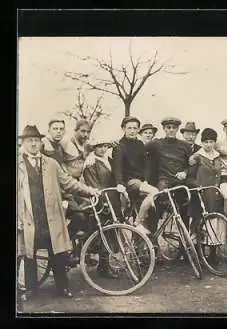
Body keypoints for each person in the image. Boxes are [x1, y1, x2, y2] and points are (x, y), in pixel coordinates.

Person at [18, 125, 99, 301]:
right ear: (22, 143)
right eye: (29, 140)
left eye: (36, 140)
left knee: (58, 253)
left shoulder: (51, 163)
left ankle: (62, 288)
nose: (33, 143)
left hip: (51, 216)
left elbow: (69, 182)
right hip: (29, 217)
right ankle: (31, 289)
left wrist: (90, 191)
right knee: (29, 253)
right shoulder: (17, 165)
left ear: (41, 142)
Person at [82, 136, 124, 278]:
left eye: (105, 146)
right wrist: (103, 202)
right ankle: (102, 266)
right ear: (94, 147)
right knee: (103, 232)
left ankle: (105, 265)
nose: (103, 149)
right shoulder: (90, 163)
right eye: (99, 146)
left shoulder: (108, 160)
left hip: (112, 199)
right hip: (100, 201)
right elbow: (94, 186)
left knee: (112, 232)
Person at [142, 117, 192, 234]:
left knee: (185, 209)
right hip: (164, 180)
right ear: (164, 129)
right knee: (156, 205)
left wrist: (185, 172)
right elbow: (139, 148)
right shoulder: (156, 144)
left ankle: (184, 244)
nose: (171, 130)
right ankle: (153, 239)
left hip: (180, 182)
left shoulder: (185, 146)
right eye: (168, 128)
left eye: (174, 128)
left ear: (177, 129)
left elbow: (192, 164)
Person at [112, 116, 158, 236]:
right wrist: (119, 184)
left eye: (135, 128)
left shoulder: (140, 144)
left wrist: (147, 180)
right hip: (130, 182)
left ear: (138, 130)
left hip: (141, 182)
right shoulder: (119, 146)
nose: (132, 131)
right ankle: (137, 223)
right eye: (129, 128)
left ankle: (141, 249)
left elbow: (146, 165)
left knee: (148, 210)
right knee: (155, 192)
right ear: (123, 129)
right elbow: (117, 167)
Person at [187, 128, 226, 257]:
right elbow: (190, 177)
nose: (209, 145)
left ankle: (213, 253)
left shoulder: (217, 156)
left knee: (214, 221)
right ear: (202, 142)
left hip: (214, 193)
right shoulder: (197, 157)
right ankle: (200, 252)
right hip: (201, 193)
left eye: (211, 141)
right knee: (201, 221)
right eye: (206, 142)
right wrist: (197, 187)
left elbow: (219, 174)